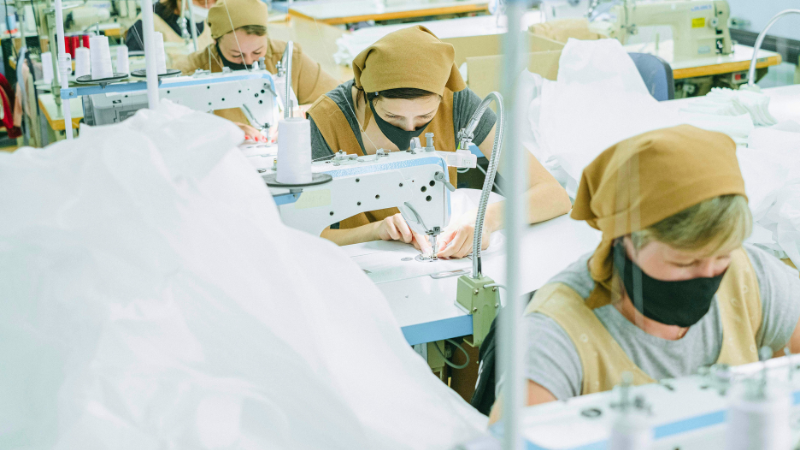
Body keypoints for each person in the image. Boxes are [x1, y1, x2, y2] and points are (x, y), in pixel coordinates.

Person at [488, 125, 800, 422]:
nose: (710, 274)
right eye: (684, 263)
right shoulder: (555, 335)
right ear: (624, 241)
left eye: (721, 255)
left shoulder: (750, 277)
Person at [306, 26, 572, 259]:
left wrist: (485, 219)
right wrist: (375, 231)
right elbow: (305, 236)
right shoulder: (326, 121)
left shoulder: (458, 103)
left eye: (425, 117)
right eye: (393, 117)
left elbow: (553, 195)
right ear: (367, 95)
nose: (410, 129)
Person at [179, 0, 340, 141]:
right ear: (215, 41)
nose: (249, 61)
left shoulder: (288, 57)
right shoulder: (190, 70)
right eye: (237, 55)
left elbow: (338, 100)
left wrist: (302, 113)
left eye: (258, 52)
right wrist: (219, 130)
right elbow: (172, 126)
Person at [124, 0, 215, 53]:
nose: (209, 6)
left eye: (214, 1)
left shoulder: (207, 20)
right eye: (203, 2)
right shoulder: (146, 24)